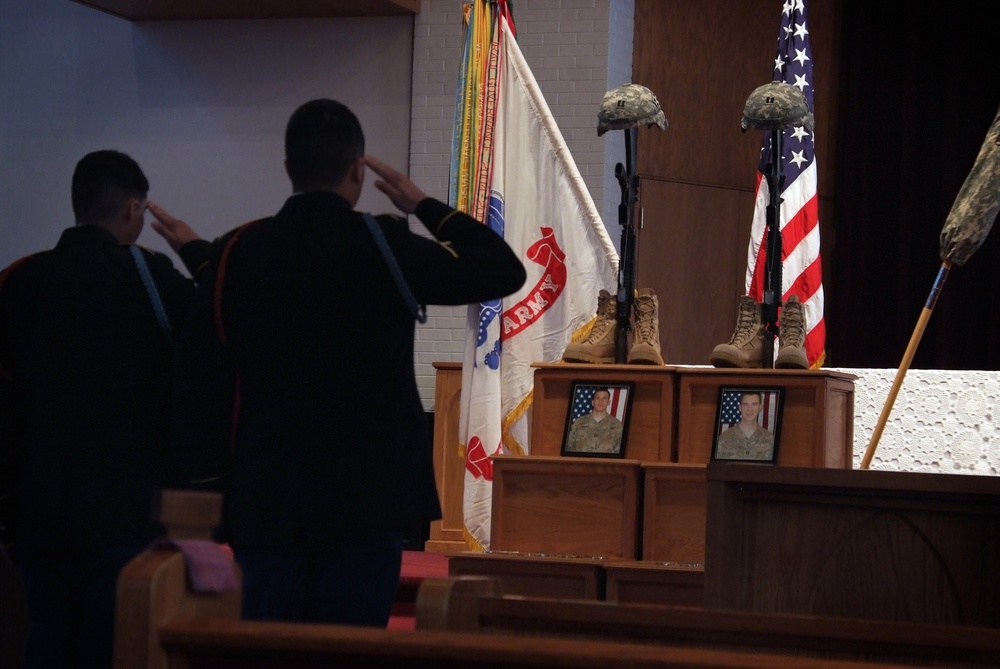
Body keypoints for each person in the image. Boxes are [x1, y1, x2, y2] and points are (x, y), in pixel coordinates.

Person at [173, 98, 526, 627]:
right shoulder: (382, 245)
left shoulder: (238, 250)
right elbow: (502, 269)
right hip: (366, 500)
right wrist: (423, 204)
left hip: (269, 499)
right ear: (359, 170)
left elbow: (201, 377)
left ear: (289, 168)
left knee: (266, 654)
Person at [0, 149, 209, 669]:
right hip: (126, 510)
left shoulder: (19, 280)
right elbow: (222, 329)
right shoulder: (152, 277)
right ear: (133, 209)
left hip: (39, 507)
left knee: (46, 644)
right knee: (115, 649)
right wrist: (196, 251)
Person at [715, 390, 775, 460]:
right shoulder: (724, 439)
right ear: (740, 407)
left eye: (754, 404)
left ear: (760, 407)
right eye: (745, 404)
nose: (749, 409)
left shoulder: (770, 440)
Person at [564, 388, 624, 454]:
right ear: (593, 402)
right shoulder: (579, 423)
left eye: (604, 398)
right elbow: (569, 447)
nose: (600, 401)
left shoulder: (617, 425)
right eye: (597, 398)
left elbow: (619, 451)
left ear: (608, 402)